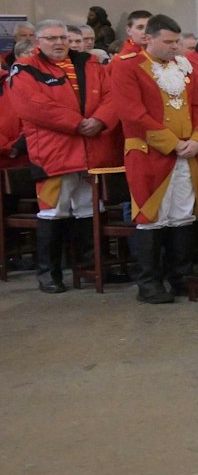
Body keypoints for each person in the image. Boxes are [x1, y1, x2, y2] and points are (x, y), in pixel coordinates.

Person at [11, 19, 117, 292]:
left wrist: (101, 119)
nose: (58, 43)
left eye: (63, 38)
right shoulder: (25, 69)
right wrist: (79, 123)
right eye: (51, 38)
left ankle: (93, 267)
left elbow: (112, 95)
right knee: (53, 211)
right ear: (38, 42)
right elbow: (34, 107)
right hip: (54, 153)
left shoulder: (90, 63)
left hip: (92, 150)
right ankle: (49, 273)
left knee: (89, 209)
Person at [108, 14, 198, 304]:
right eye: (168, 42)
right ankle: (149, 282)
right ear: (148, 38)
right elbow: (131, 113)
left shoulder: (186, 66)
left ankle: (181, 277)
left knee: (183, 213)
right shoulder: (127, 67)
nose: (175, 47)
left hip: (187, 153)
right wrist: (172, 143)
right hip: (149, 153)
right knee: (151, 215)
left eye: (177, 41)